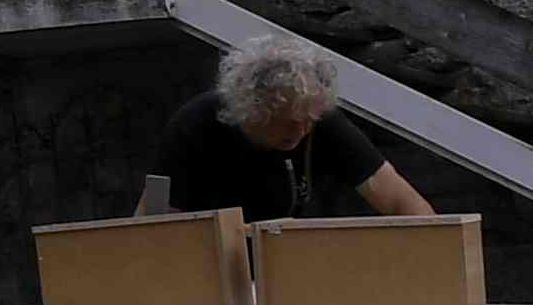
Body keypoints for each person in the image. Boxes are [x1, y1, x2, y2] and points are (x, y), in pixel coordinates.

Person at [143, 36, 433, 225]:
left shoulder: (319, 121)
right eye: (290, 121)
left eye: (309, 119)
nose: (302, 129)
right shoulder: (194, 125)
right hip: (208, 265)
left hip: (289, 264)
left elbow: (401, 202)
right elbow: (153, 222)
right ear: (254, 108)